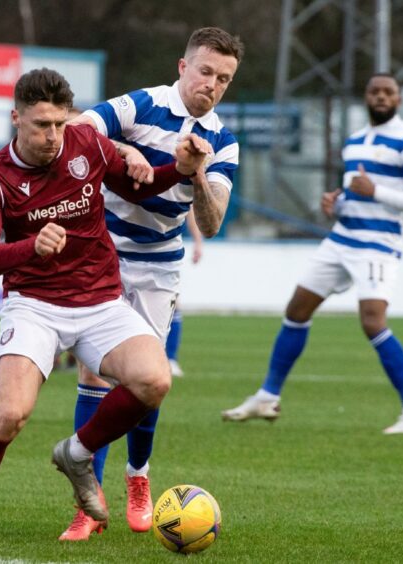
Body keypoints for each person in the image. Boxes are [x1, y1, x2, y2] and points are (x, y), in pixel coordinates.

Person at [0, 68, 211, 545]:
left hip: (99, 300)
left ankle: (77, 452)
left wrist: (177, 171)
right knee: (10, 415)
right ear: (16, 118)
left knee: (154, 380)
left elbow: (135, 188)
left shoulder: (86, 145)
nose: (53, 135)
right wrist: (29, 247)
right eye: (40, 125)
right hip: (33, 305)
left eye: (59, 123)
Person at [59, 27, 242, 540]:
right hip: (104, 258)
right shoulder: (142, 105)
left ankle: (137, 478)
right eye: (205, 71)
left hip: (160, 268)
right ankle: (87, 504)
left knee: (146, 387)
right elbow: (78, 127)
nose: (212, 84)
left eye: (224, 78)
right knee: (93, 378)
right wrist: (124, 149)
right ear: (183, 67)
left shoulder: (223, 141)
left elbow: (211, 223)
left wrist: (199, 173)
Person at [221, 73, 403, 435]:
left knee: (372, 322)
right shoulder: (355, 142)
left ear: (398, 99)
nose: (381, 97)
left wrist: (376, 190)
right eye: (374, 91)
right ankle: (267, 396)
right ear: (366, 97)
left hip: (377, 245)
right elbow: (357, 191)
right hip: (341, 238)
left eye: (389, 92)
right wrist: (336, 203)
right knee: (297, 309)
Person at [166, 211, 204, 378]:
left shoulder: (176, 186)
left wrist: (198, 242)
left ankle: (170, 359)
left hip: (164, 252)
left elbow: (189, 209)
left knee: (174, 303)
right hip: (123, 249)